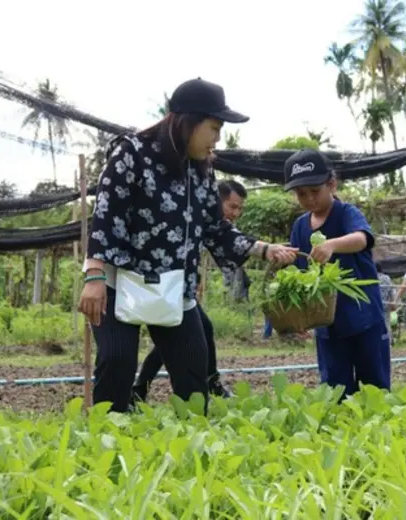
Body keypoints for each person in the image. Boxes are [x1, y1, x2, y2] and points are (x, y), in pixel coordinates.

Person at [78, 78, 298, 413]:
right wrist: (94, 276)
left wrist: (264, 249)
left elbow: (215, 229)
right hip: (118, 279)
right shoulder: (131, 153)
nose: (217, 138)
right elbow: (107, 217)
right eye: (214, 127)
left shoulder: (202, 171)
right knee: (117, 362)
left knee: (194, 370)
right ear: (189, 122)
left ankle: (192, 443)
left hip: (174, 286)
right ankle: (105, 440)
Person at [280, 148, 390, 396]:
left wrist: (332, 244)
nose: (309, 199)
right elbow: (302, 277)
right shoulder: (300, 227)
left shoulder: (347, 213)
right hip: (327, 325)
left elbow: (362, 238)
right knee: (335, 389)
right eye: (301, 194)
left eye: (314, 191)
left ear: (332, 184)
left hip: (364, 317)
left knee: (375, 386)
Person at [131, 179, 250, 402]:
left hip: (180, 287)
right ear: (216, 201)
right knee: (192, 331)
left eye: (240, 208)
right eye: (232, 206)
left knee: (191, 332)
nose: (236, 213)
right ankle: (210, 383)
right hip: (163, 285)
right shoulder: (195, 212)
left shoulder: (212, 223)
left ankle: (139, 389)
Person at [376, 263, 395, 341]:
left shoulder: (372, 277)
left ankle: (377, 340)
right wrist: (392, 302)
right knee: (386, 323)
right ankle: (387, 340)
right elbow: (391, 291)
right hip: (386, 304)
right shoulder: (387, 278)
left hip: (375, 304)